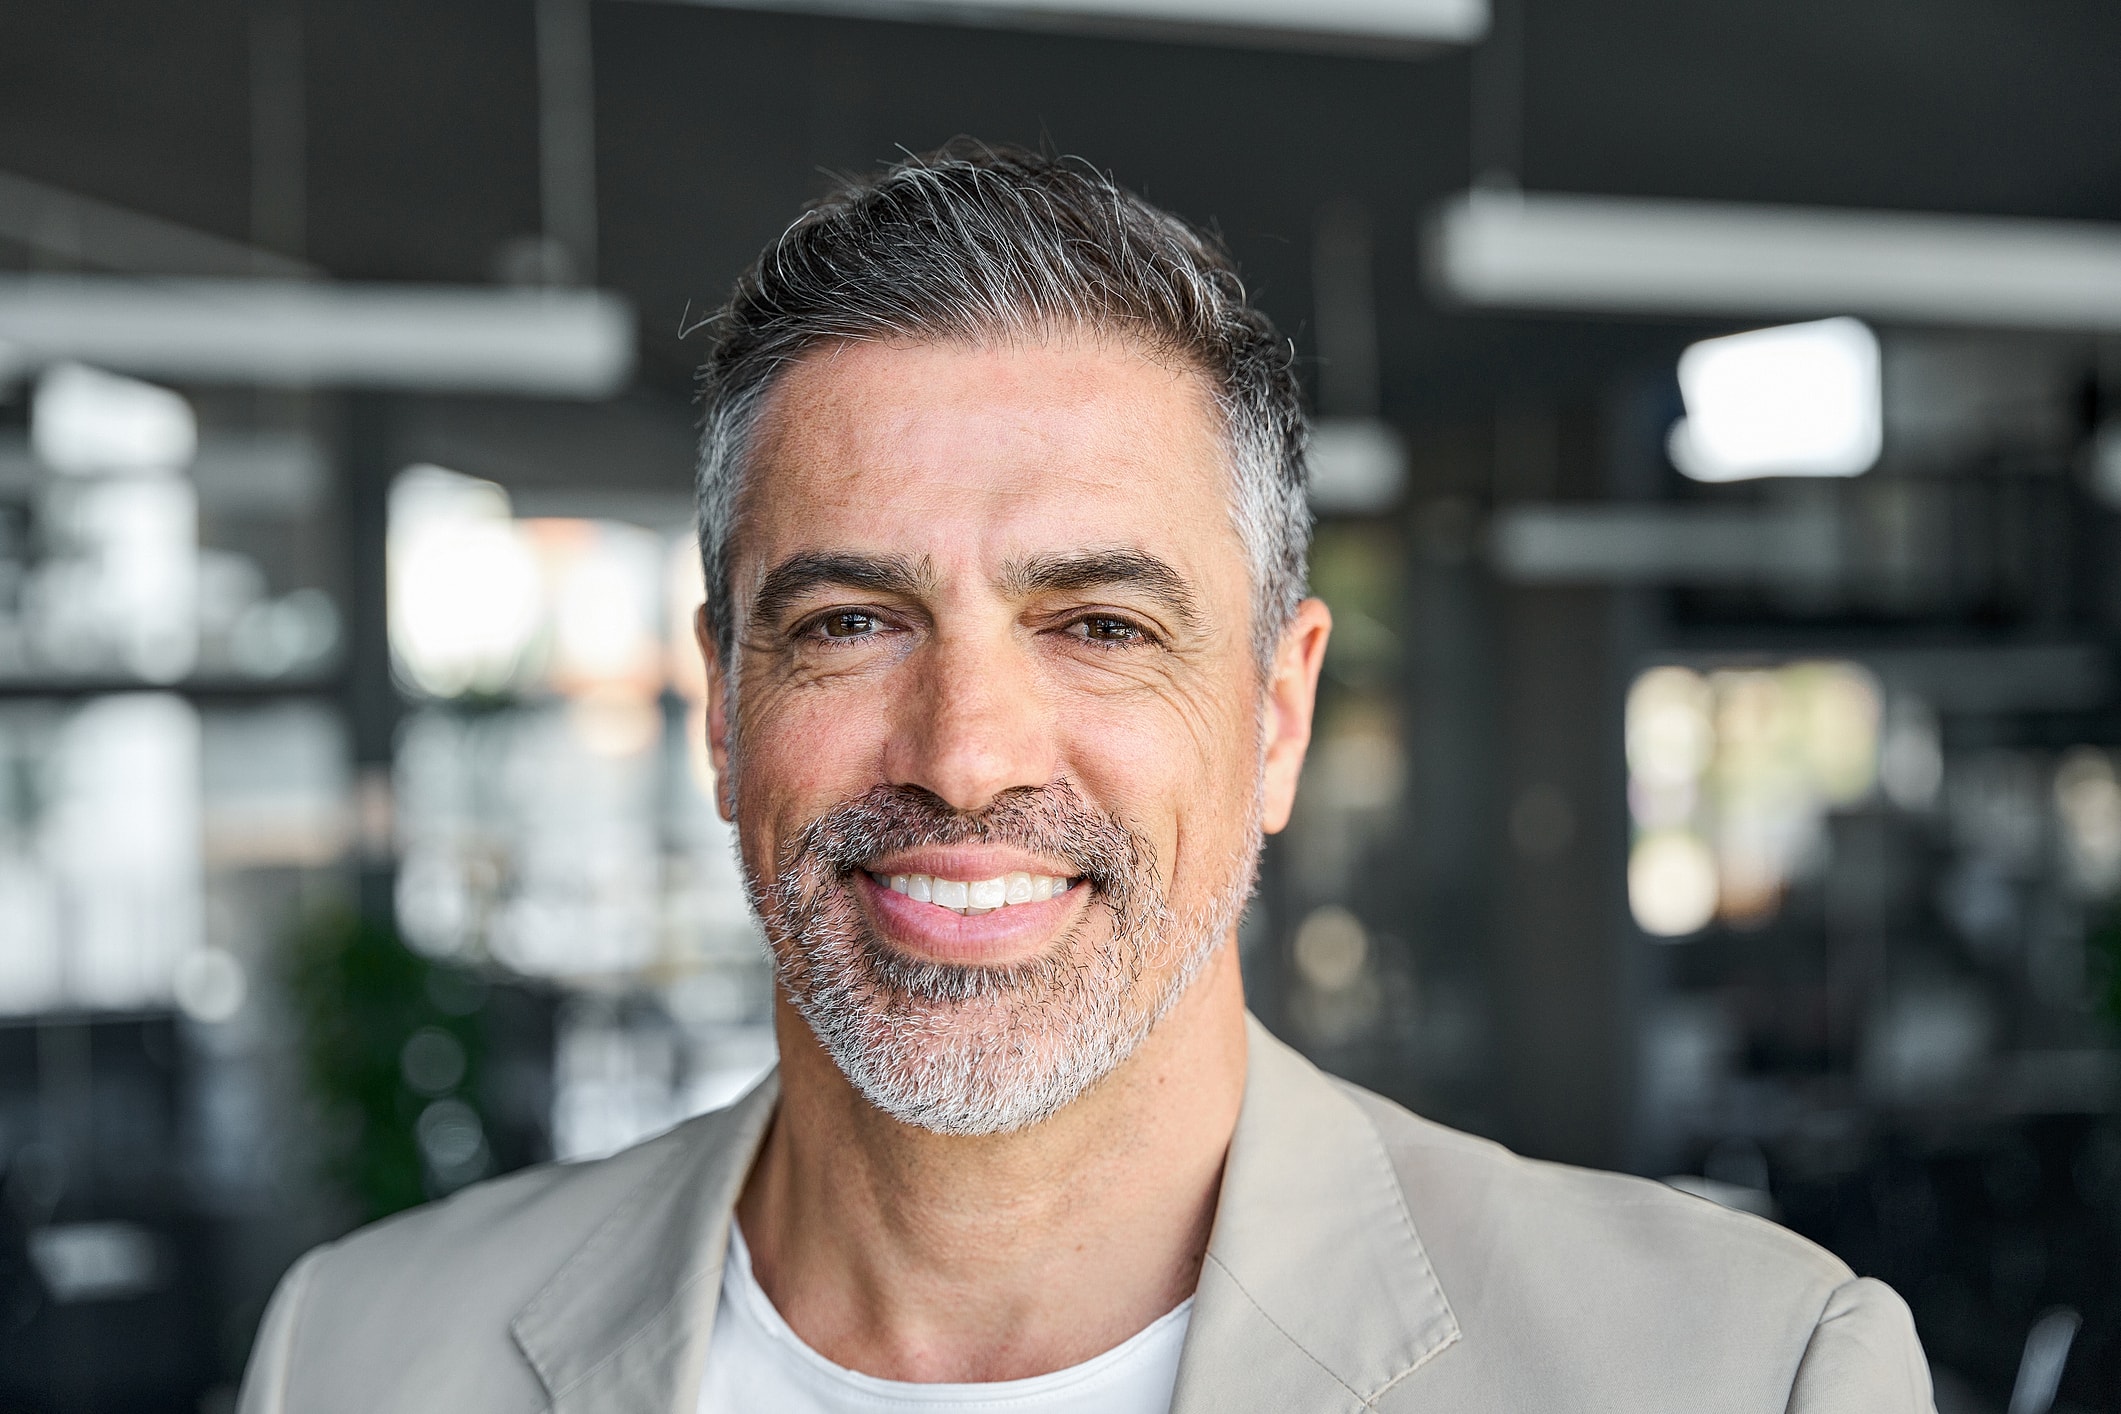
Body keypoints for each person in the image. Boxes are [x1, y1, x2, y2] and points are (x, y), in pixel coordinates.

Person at [237, 143, 1935, 1414]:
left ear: (1275, 717)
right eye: (847, 620)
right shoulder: (360, 1355)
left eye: (1101, 623)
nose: (965, 753)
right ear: (721, 705)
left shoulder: (1738, 1369)